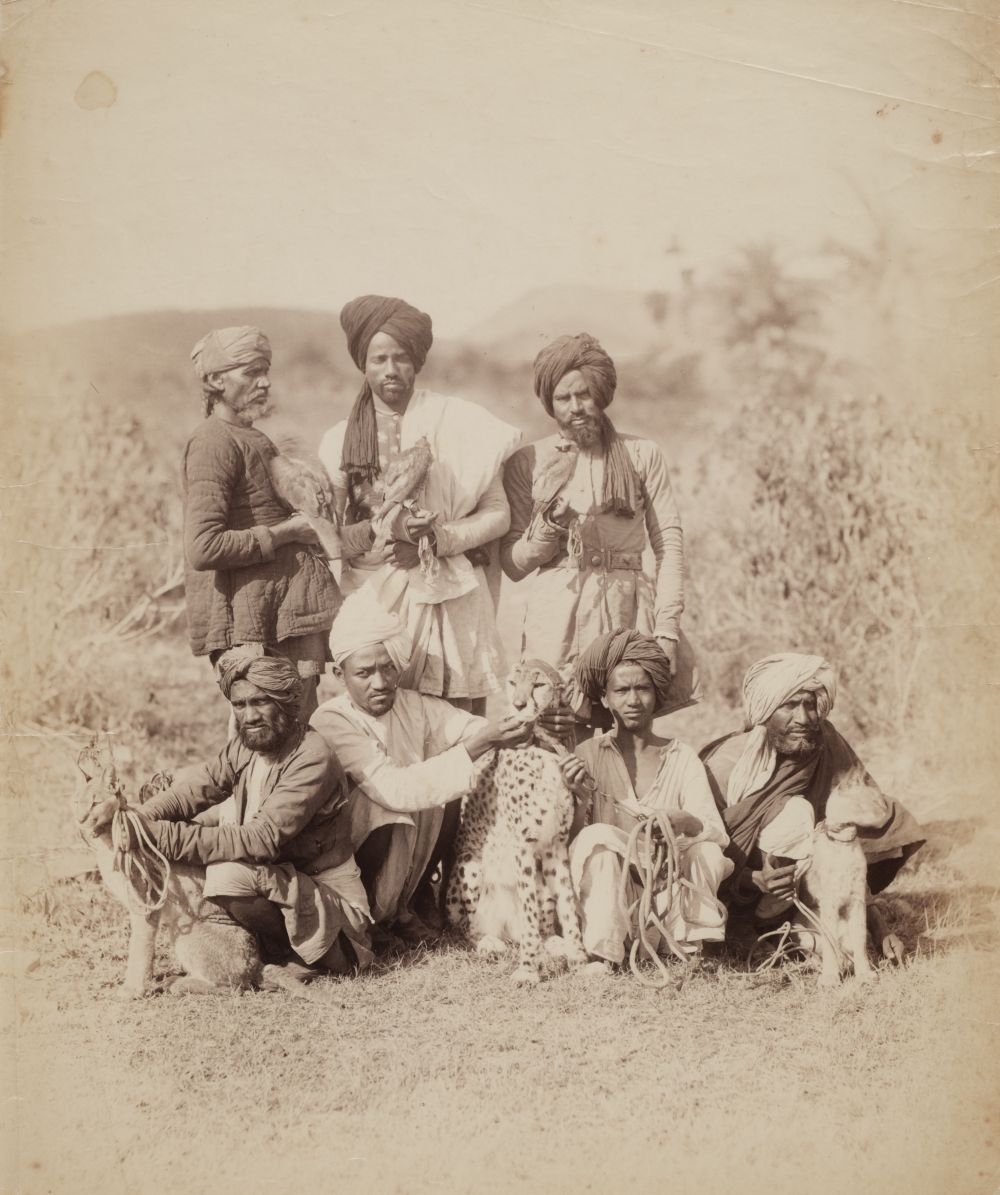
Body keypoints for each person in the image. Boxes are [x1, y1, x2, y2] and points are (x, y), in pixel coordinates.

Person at [83, 654, 373, 978]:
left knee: (227, 876)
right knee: (216, 861)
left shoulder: (312, 756)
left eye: (261, 702)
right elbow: (198, 787)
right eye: (240, 704)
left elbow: (259, 839)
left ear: (287, 704)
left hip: (332, 905)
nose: (249, 716)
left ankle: (301, 956)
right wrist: (139, 818)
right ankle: (269, 951)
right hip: (284, 880)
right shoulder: (248, 744)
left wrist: (155, 835)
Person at [318, 294, 522, 716]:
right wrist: (381, 539)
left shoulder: (462, 424)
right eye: (379, 359)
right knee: (384, 721)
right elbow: (329, 534)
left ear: (417, 361)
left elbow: (498, 514)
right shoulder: (339, 439)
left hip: (452, 595)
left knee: (460, 722)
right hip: (375, 598)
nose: (391, 370)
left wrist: (436, 541)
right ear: (363, 364)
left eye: (402, 358)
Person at [309, 592, 534, 949]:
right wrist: (479, 745)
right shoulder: (331, 719)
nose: (380, 682)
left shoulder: (413, 705)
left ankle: (406, 904)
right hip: (344, 855)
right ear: (339, 675)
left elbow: (471, 727)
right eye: (364, 673)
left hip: (400, 833)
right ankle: (367, 916)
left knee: (450, 793)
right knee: (383, 807)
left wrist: (520, 727)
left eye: (388, 668)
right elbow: (394, 789)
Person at [500, 333, 698, 723]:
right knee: (557, 729)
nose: (575, 408)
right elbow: (512, 564)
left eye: (584, 394)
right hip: (555, 621)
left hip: (627, 613)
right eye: (563, 399)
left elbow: (669, 544)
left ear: (602, 394)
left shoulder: (643, 454)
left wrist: (667, 630)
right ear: (549, 403)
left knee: (626, 728)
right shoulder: (528, 461)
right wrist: (549, 527)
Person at [185, 326, 362, 720]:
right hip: (254, 629)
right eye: (251, 372)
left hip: (283, 620)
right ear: (216, 380)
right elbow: (203, 547)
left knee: (294, 734)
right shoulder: (213, 442)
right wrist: (288, 533)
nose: (264, 382)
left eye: (266, 371)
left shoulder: (254, 438)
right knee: (270, 737)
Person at [699, 653, 924, 951]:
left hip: (803, 883)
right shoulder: (726, 765)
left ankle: (789, 921)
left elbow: (847, 838)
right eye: (789, 706)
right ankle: (743, 927)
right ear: (764, 711)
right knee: (796, 813)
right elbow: (700, 855)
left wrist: (879, 931)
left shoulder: (823, 743)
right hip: (731, 889)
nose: (804, 718)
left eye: (810, 705)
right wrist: (754, 879)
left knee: (875, 813)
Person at [560, 630, 732, 968]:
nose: (633, 700)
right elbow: (571, 844)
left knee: (707, 852)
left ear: (657, 694)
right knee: (596, 837)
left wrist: (683, 821)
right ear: (605, 699)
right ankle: (604, 952)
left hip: (669, 895)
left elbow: (715, 833)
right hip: (611, 896)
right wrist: (578, 801)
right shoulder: (587, 754)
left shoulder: (682, 757)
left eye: (642, 689)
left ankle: (687, 948)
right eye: (621, 691)